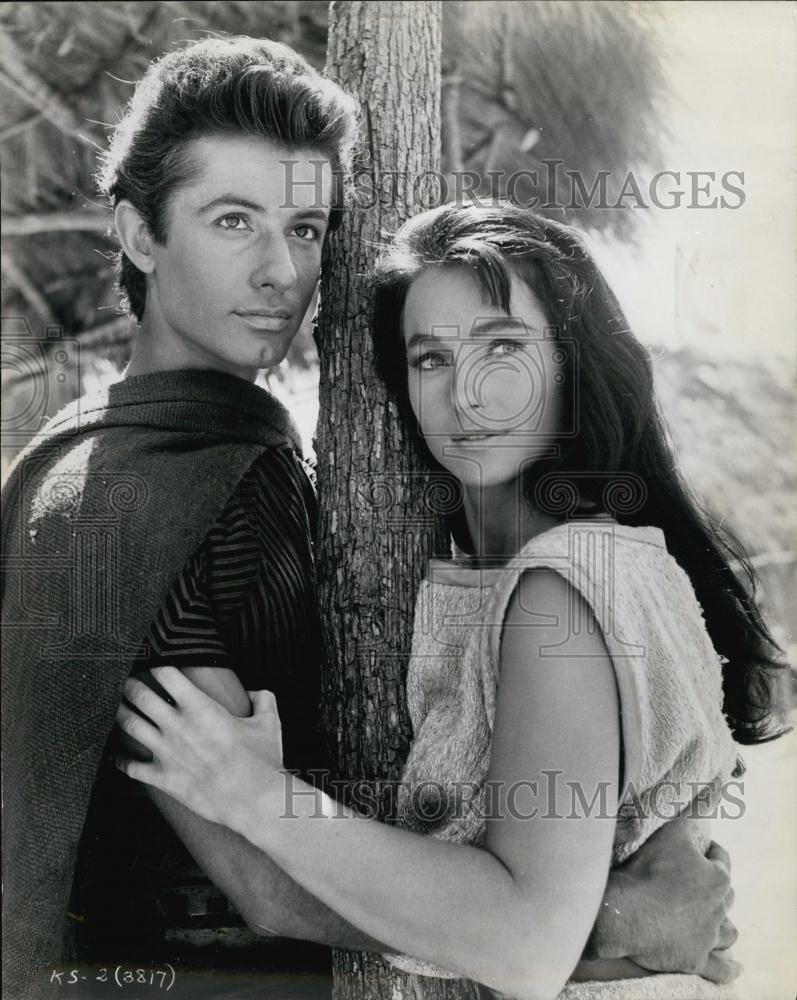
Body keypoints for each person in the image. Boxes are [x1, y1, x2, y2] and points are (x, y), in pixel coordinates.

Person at [1, 36, 739, 999]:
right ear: (140, 235)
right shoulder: (131, 501)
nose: (279, 272)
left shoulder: (210, 453)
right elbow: (261, 882)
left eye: (306, 229)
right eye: (233, 221)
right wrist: (609, 918)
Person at [115, 202, 786, 1000]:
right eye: (430, 359)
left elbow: (525, 945)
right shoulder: (543, 573)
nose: (466, 395)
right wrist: (610, 923)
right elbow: (284, 895)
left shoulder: (563, 584)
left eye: (502, 347)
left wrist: (258, 795)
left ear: (573, 359)